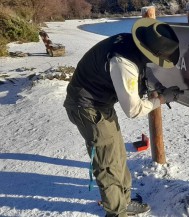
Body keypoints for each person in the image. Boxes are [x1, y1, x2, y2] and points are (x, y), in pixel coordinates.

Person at [64, 18, 182, 217]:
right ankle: (116, 212)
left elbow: (141, 71)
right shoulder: (123, 61)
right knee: (107, 163)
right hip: (88, 108)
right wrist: (161, 99)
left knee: (117, 155)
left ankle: (123, 201)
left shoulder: (131, 44)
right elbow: (134, 110)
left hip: (100, 103)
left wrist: (157, 86)